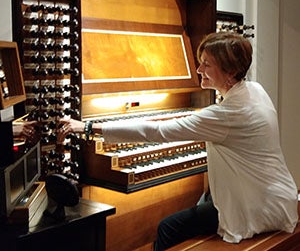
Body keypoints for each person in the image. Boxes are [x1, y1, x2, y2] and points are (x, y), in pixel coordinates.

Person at [60, 32, 298, 250]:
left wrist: (88, 126)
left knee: (167, 226)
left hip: (259, 207)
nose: (198, 69)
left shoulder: (228, 114)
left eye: (207, 64)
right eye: (199, 61)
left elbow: (157, 131)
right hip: (276, 195)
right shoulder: (254, 90)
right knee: (204, 201)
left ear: (230, 72)